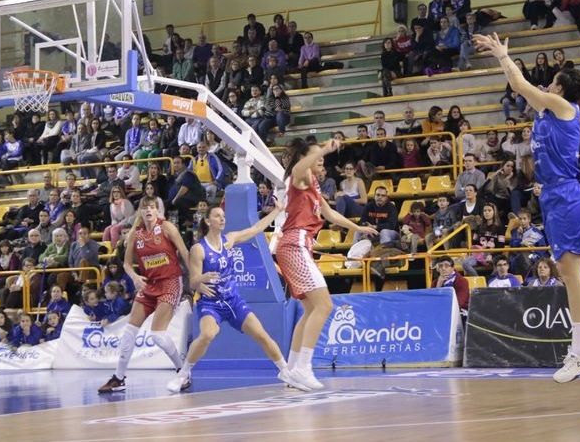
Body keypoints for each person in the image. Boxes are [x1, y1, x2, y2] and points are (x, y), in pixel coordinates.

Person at [474, 33, 580, 383]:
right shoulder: (547, 112)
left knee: (571, 273)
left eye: (552, 82)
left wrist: (501, 55)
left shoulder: (564, 107)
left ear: (559, 89)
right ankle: (579, 349)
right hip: (555, 197)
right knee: (566, 270)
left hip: (568, 197)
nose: (547, 85)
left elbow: (519, 83)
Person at [168, 201, 308, 392]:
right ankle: (183, 374)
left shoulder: (229, 240)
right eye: (217, 216)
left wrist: (277, 210)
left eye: (223, 216)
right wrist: (203, 277)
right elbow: (192, 281)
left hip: (233, 301)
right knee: (208, 334)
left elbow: (256, 228)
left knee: (262, 335)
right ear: (208, 221)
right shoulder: (198, 249)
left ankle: (285, 371)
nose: (222, 218)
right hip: (210, 302)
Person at [276, 138, 377, 390]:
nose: (321, 160)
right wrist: (323, 148)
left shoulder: (314, 185)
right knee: (325, 305)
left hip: (297, 247)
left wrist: (358, 227)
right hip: (295, 244)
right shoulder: (300, 177)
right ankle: (303, 368)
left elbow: (331, 215)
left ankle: (291, 369)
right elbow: (300, 167)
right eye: (316, 156)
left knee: (311, 309)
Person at [97, 197, 189, 393]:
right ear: (140, 211)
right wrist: (135, 277)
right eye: (145, 207)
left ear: (157, 211)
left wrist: (195, 281)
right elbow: (127, 264)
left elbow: (186, 254)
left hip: (170, 281)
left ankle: (182, 370)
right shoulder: (135, 235)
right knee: (129, 332)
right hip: (148, 285)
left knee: (157, 335)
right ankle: (119, 378)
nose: (148, 210)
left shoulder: (167, 228)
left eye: (152, 207)